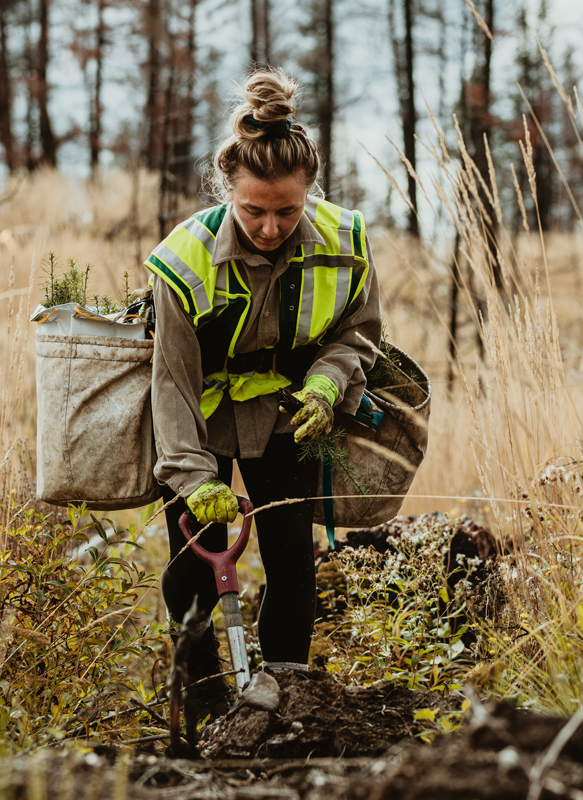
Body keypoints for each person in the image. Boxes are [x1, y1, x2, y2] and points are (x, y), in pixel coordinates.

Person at [144, 67, 381, 716]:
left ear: (310, 192)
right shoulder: (182, 261)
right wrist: (194, 480)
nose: (271, 227)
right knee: (192, 567)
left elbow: (359, 335)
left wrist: (328, 387)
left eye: (287, 210)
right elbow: (172, 383)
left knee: (290, 558)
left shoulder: (345, 243)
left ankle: (286, 697)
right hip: (199, 420)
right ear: (226, 191)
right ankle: (200, 702)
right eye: (253, 211)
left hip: (287, 415)